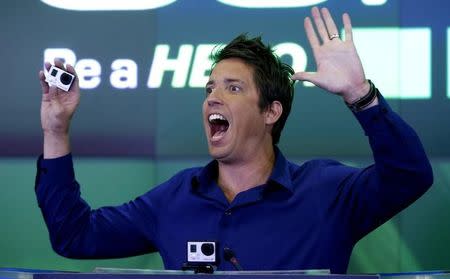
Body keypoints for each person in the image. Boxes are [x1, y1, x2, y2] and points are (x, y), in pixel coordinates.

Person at [35, 7, 433, 273]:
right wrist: (55, 130)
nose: (212, 96)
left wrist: (360, 95)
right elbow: (74, 235)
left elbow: (410, 175)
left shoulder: (328, 192)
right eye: (210, 87)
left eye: (233, 88)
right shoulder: (174, 199)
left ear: (270, 112)